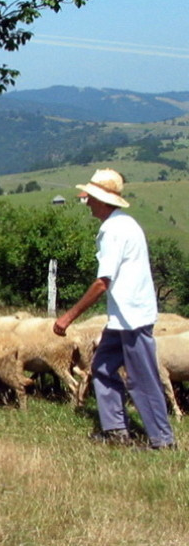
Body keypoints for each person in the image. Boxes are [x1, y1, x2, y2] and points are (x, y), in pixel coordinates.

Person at [53, 169, 176, 449]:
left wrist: (69, 316)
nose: (86, 203)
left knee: (141, 378)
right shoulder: (125, 224)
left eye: (89, 199)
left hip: (131, 317)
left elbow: (102, 282)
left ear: (101, 200)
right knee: (103, 367)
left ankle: (163, 440)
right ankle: (116, 430)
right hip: (123, 316)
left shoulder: (112, 231)